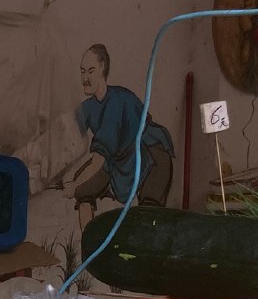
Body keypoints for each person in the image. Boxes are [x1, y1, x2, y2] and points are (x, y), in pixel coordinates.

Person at [62, 44, 175, 209]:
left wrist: (73, 184)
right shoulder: (88, 108)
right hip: (118, 161)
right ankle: (89, 235)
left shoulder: (115, 105)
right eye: (82, 71)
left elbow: (98, 161)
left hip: (150, 156)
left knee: (149, 213)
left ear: (103, 70)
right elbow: (66, 135)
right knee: (83, 191)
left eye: (91, 71)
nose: (85, 78)